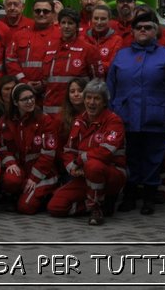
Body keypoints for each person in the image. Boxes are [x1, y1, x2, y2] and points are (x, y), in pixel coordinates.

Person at [106, 10, 165, 215]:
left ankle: (149, 198)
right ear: (132, 31)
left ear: (156, 31)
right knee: (129, 158)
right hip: (125, 117)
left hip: (154, 118)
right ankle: (129, 196)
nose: (143, 31)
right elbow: (110, 87)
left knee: (152, 158)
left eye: (148, 28)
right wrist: (109, 115)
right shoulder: (121, 55)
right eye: (139, 28)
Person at [47, 79, 126, 225]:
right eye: (88, 98)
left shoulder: (113, 121)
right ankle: (100, 204)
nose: (91, 102)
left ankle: (96, 208)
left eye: (96, 98)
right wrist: (72, 168)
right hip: (85, 176)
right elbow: (68, 150)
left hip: (111, 174)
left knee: (93, 165)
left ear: (104, 102)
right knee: (55, 206)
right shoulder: (79, 121)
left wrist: (80, 160)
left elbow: (106, 152)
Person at [0, 82, 59, 214]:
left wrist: (34, 178)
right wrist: (10, 163)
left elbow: (48, 154)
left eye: (32, 97)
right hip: (21, 170)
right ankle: (18, 194)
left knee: (26, 208)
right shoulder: (6, 121)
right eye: (25, 99)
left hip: (42, 174)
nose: (30, 101)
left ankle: (46, 195)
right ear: (15, 102)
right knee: (10, 180)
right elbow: (2, 148)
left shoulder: (45, 120)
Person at [42, 9, 102, 115]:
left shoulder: (88, 49)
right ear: (59, 24)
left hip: (77, 112)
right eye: (63, 22)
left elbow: (97, 82)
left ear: (77, 26)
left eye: (70, 23)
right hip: (50, 111)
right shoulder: (49, 48)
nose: (66, 26)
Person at [6, 0, 60, 95]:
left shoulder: (60, 36)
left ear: (53, 14)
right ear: (32, 13)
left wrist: (45, 82)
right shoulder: (19, 35)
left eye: (46, 11)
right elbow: (10, 61)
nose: (41, 14)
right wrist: (23, 81)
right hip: (22, 90)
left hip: (51, 91)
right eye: (37, 11)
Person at [85, 5, 127, 72]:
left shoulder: (116, 40)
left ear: (110, 20)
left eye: (103, 19)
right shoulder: (83, 38)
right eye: (96, 18)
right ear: (91, 19)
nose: (99, 22)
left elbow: (112, 64)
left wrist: (90, 66)